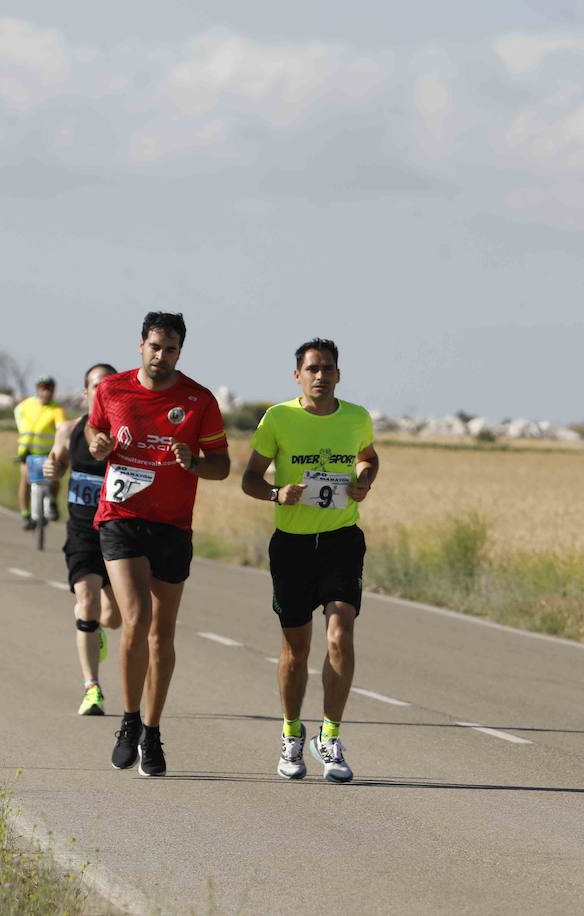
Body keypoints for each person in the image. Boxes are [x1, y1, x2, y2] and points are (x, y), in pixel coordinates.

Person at [87, 312, 229, 776]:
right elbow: (94, 430)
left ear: (180, 351)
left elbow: (222, 466)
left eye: (170, 349)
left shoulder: (198, 400)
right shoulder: (112, 390)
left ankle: (152, 729)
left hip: (171, 524)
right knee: (136, 617)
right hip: (121, 516)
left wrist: (192, 462)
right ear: (140, 346)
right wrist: (98, 445)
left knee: (161, 633)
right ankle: (128, 722)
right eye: (154, 347)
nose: (161, 356)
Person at [240, 339, 378, 783]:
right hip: (293, 545)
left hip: (341, 539)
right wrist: (276, 493)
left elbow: (368, 457)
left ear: (339, 375)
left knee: (340, 633)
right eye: (313, 368)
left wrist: (364, 478)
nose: (321, 375)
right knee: (296, 648)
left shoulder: (356, 417)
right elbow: (249, 479)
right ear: (297, 375)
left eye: (329, 368)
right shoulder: (278, 418)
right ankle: (291, 733)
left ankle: (331, 736)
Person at [44, 362, 122, 716]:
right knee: (87, 604)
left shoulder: (125, 435)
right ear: (86, 393)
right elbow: (56, 464)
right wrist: (51, 472)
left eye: (110, 386)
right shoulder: (69, 431)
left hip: (118, 533)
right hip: (81, 534)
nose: (102, 392)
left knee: (116, 618)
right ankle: (92, 687)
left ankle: (95, 633)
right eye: (96, 386)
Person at [14, 377, 67, 530]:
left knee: (55, 476)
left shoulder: (57, 410)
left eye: (50, 389)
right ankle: (25, 513)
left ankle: (52, 503)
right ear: (38, 389)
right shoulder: (27, 404)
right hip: (27, 452)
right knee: (25, 479)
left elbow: (61, 427)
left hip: (49, 453)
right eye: (44, 388)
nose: (47, 392)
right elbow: (17, 412)